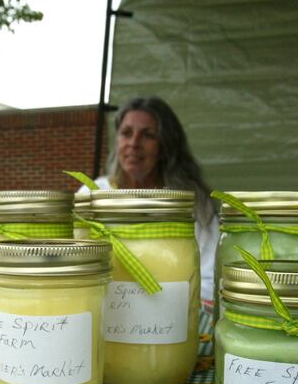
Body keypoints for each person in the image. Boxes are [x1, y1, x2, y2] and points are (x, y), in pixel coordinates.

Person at [77, 96, 219, 302]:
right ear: (117, 141)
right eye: (126, 133)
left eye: (148, 135)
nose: (134, 143)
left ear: (165, 145)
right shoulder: (94, 194)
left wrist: (153, 298)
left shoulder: (187, 203)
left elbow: (210, 277)